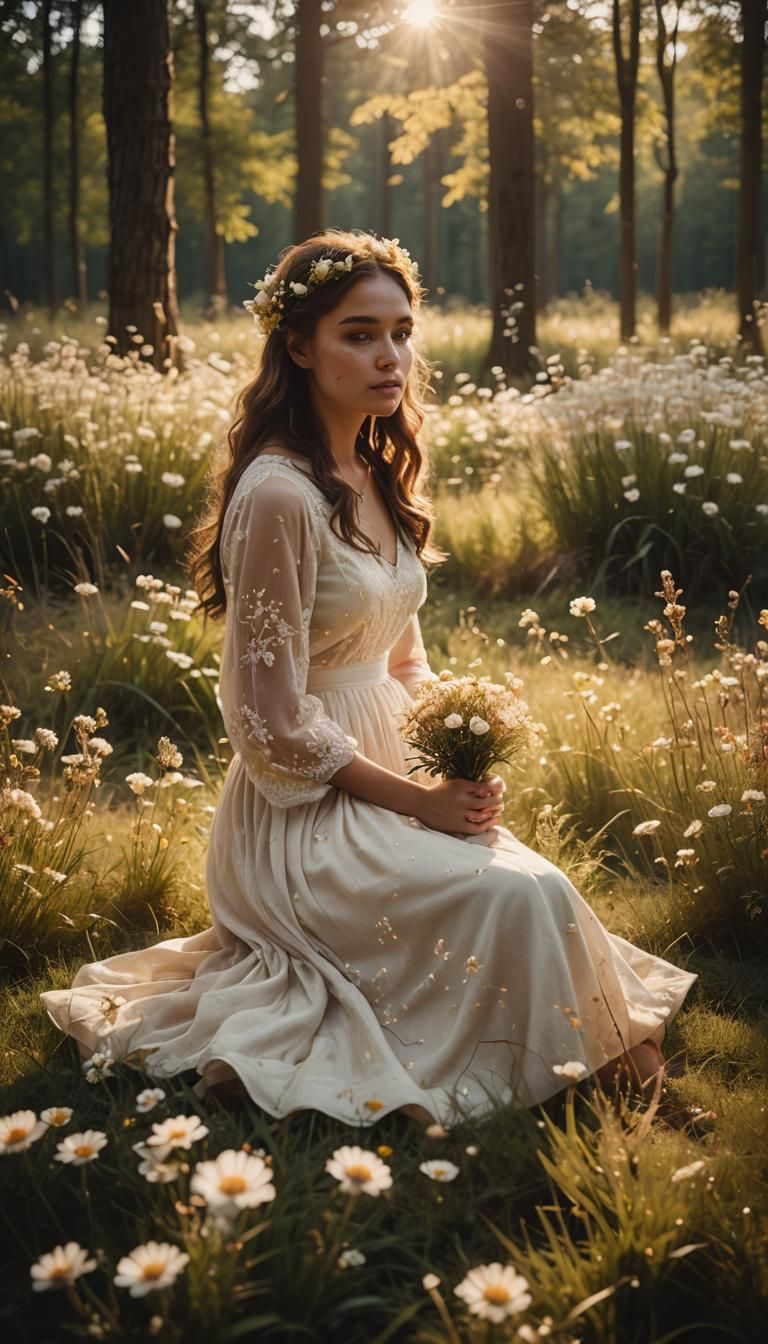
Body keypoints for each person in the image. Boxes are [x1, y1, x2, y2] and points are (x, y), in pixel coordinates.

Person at [41, 229, 696, 1126]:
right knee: (519, 891)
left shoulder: (379, 475)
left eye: (401, 331)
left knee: (532, 886)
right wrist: (416, 802)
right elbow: (269, 720)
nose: (390, 356)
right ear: (299, 348)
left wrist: (456, 750)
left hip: (391, 765)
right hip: (303, 816)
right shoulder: (279, 494)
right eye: (359, 334)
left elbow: (404, 657)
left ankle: (619, 1072)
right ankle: (616, 1084)